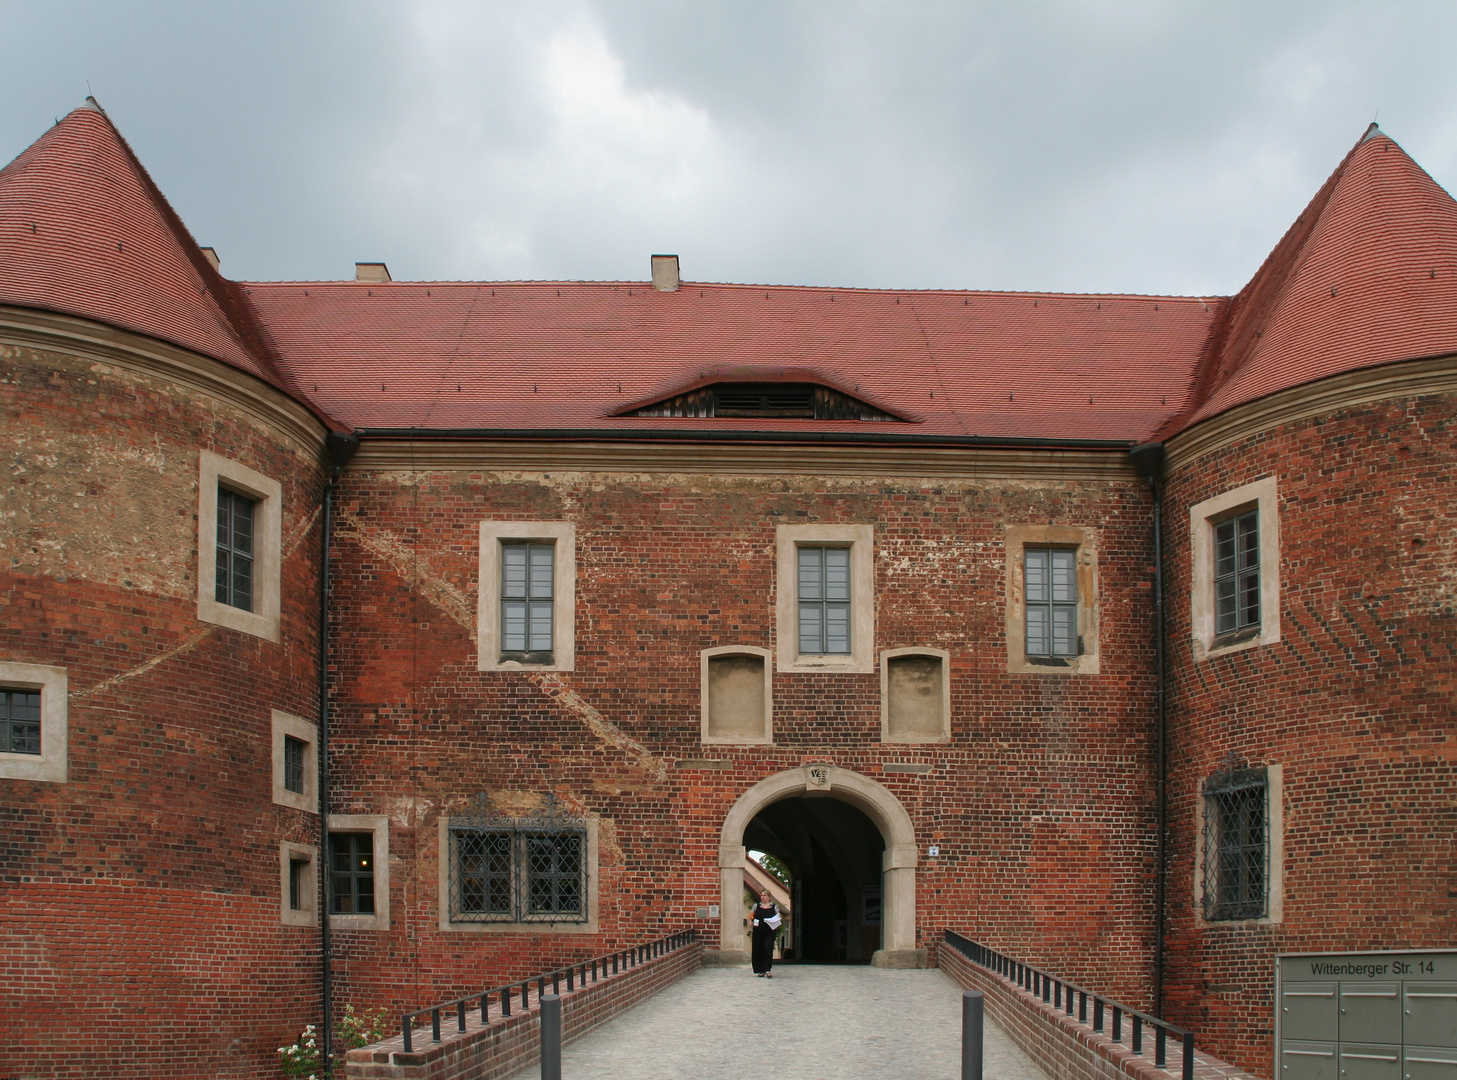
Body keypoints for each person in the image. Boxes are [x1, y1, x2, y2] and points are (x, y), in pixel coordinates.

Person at [750, 889, 781, 978]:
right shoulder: (757, 906)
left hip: (769, 930)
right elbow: (751, 914)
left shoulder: (774, 907)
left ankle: (767, 969)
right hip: (758, 930)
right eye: (761, 895)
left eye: (764, 895)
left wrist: (776, 921)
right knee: (758, 949)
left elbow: (778, 916)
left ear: (769, 897)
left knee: (768, 948)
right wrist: (751, 920)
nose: (762, 897)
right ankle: (760, 970)